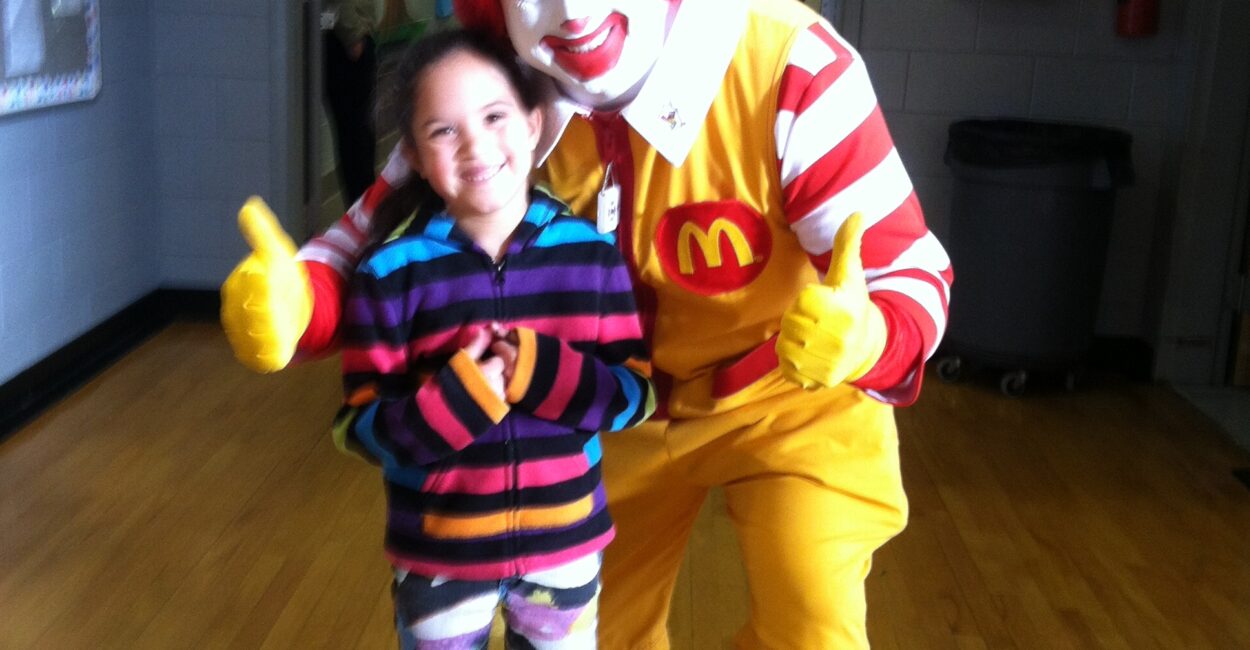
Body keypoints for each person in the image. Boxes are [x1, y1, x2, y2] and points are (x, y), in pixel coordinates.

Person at [221, 0, 954, 647]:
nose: (573, 13)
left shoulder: (792, 67)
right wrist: (293, 304)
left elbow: (906, 273)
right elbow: (363, 245)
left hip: (790, 398)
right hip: (597, 405)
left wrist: (870, 337)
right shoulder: (495, 90)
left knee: (813, 624)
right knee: (600, 633)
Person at [331, 29, 655, 649]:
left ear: (534, 125)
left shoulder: (591, 258)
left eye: (494, 116)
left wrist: (542, 373)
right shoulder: (389, 273)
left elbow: (634, 395)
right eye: (442, 130)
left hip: (564, 549)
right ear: (414, 155)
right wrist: (458, 400)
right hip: (438, 557)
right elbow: (359, 427)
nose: (475, 144)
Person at [322, 0, 377, 206]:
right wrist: (353, 34)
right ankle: (363, 211)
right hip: (346, 43)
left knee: (355, 136)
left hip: (345, 38)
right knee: (356, 137)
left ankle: (362, 209)